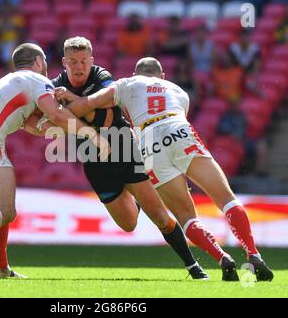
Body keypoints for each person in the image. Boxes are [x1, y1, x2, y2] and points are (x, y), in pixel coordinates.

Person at [61, 57, 274, 282]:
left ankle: (223, 258)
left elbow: (87, 104)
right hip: (179, 130)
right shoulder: (178, 91)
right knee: (226, 199)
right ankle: (253, 254)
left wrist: (60, 109)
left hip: (148, 143)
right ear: (162, 76)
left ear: (136, 74)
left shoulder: (126, 85)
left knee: (186, 216)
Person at [31, 37, 209, 280]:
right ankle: (137, 197)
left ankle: (193, 266)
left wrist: (66, 114)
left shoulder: (102, 77)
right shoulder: (53, 86)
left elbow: (106, 118)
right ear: (64, 62)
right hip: (94, 162)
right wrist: (64, 118)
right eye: (73, 61)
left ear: (91, 60)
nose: (79, 66)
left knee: (159, 216)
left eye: (83, 61)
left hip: (126, 150)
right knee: (128, 224)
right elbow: (55, 122)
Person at [0, 43, 110, 279]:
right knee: (6, 210)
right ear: (38, 61)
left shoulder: (6, 83)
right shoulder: (36, 80)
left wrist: (64, 128)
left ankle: (1, 268)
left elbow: (34, 126)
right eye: (44, 61)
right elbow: (56, 114)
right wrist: (92, 135)